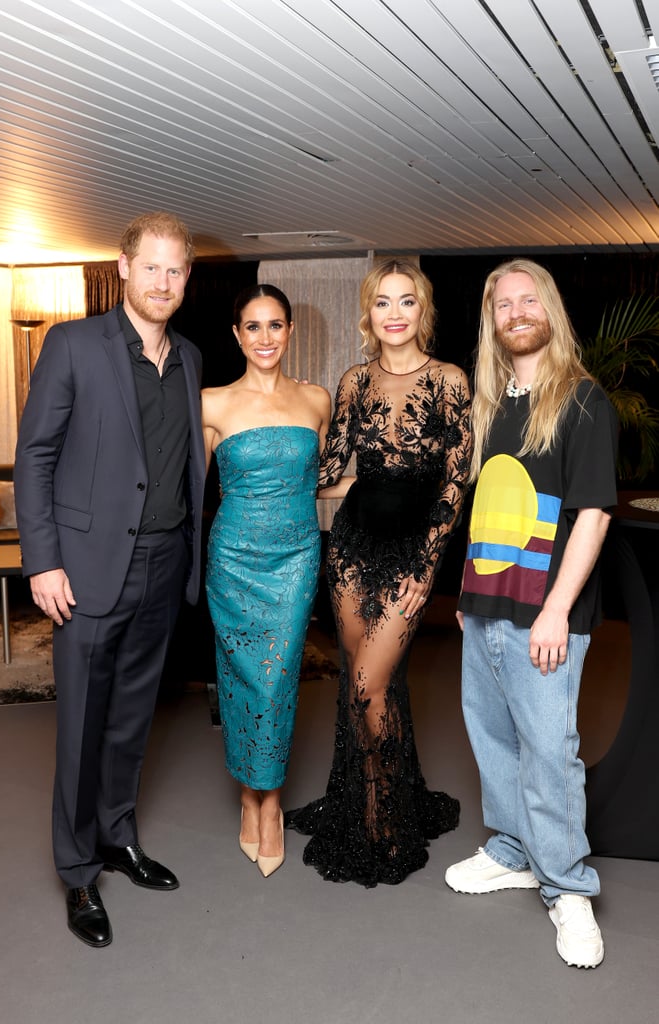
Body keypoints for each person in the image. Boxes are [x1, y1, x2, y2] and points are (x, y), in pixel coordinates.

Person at [13, 211, 205, 947]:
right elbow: (35, 456)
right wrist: (42, 560)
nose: (163, 281)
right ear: (123, 267)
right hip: (85, 572)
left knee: (131, 719)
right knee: (81, 725)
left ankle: (119, 836)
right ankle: (76, 871)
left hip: (162, 565)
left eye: (175, 269)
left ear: (186, 277)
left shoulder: (187, 356)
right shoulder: (72, 345)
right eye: (150, 266)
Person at [445, 259, 618, 969]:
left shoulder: (579, 400)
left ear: (547, 308)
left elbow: (593, 516)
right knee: (493, 740)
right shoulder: (493, 404)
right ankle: (515, 851)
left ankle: (567, 887)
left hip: (544, 615)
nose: (514, 312)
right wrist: (465, 595)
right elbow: (490, 509)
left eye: (526, 300)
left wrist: (555, 610)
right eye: (500, 304)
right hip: (484, 605)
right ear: (491, 321)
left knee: (549, 752)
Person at [285, 258, 472, 886]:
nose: (395, 314)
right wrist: (276, 461)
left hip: (410, 556)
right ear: (369, 314)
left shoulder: (450, 381)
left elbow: (453, 486)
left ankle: (383, 818)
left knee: (369, 681)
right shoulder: (354, 381)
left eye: (407, 301)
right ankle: (369, 802)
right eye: (383, 302)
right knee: (366, 685)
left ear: (424, 311)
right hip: (353, 548)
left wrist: (427, 567)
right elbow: (334, 469)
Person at [202, 284, 338, 877]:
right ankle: (248, 796)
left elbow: (317, 481)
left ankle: (271, 801)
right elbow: (184, 488)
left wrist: (372, 486)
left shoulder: (316, 400)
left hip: (296, 557)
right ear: (236, 335)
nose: (265, 338)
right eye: (252, 327)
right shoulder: (210, 404)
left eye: (275, 326)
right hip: (233, 558)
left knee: (278, 677)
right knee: (238, 677)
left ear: (290, 331)